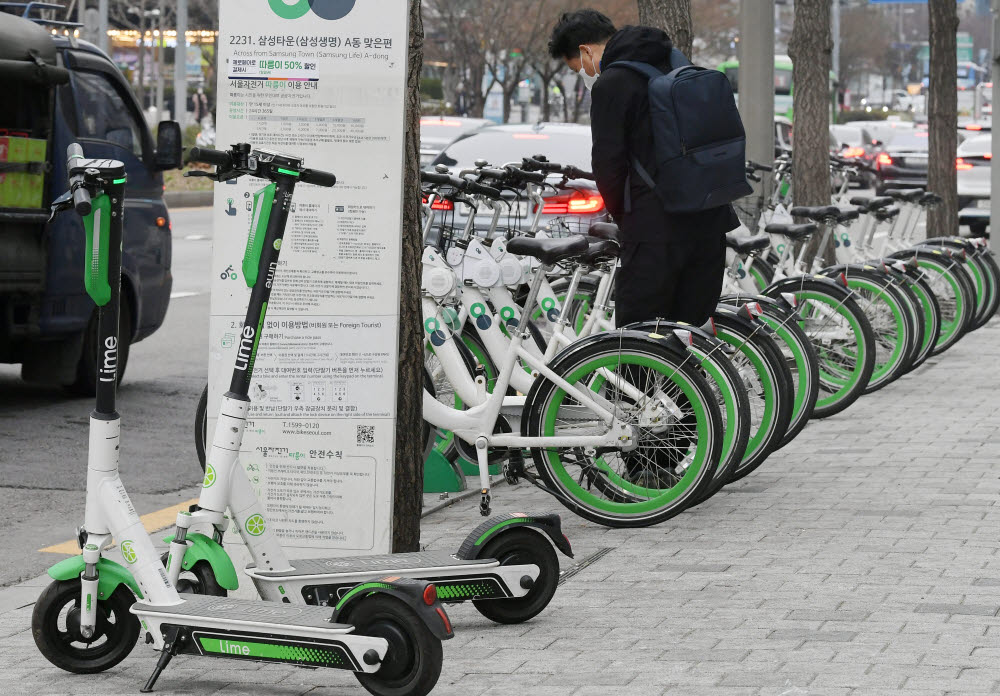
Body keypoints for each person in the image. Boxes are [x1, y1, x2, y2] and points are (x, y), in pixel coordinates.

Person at [548, 10, 740, 328]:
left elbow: (608, 166)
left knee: (638, 339)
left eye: (577, 67)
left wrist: (629, 221)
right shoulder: (676, 61)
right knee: (688, 336)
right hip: (711, 220)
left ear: (586, 50)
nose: (583, 73)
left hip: (655, 230)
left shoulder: (612, 84)